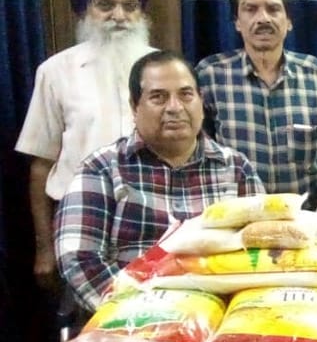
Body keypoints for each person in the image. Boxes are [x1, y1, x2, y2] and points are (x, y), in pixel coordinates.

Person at [56, 50, 264, 312]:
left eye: (186, 95)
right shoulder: (102, 169)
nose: (175, 108)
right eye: (158, 97)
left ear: (201, 101)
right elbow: (79, 258)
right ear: (134, 106)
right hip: (131, 319)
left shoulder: (237, 169)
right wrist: (145, 314)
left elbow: (263, 253)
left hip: (222, 318)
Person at [16, 0, 156, 292]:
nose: (119, 15)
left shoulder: (163, 69)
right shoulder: (55, 72)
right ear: (85, 10)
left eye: (130, 6)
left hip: (151, 225)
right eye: (105, 5)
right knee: (87, 321)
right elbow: (40, 166)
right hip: (78, 225)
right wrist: (44, 248)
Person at [195, 0, 317, 210]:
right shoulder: (210, 75)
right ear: (237, 22)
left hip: (305, 220)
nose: (263, 18)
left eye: (273, 9)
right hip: (235, 220)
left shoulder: (315, 74)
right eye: (250, 9)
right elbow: (195, 153)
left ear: (289, 21)